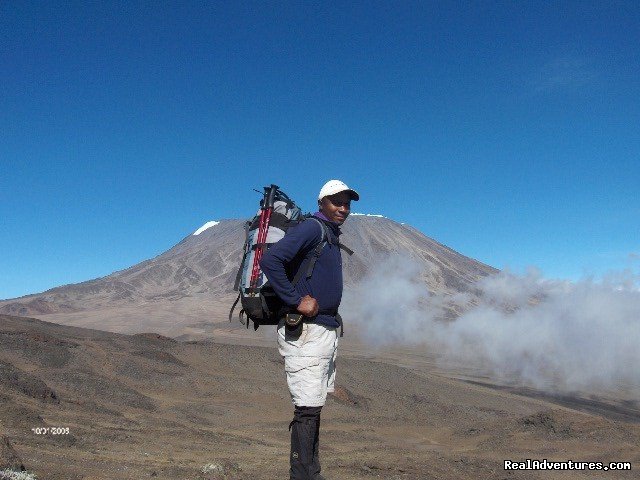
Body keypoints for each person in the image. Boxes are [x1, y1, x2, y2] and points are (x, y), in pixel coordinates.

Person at [259, 179, 359, 480]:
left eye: (347, 203)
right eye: (336, 202)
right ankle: (303, 476)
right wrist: (295, 299)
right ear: (321, 204)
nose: (343, 208)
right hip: (307, 333)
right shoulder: (312, 229)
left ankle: (310, 473)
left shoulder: (328, 234)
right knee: (307, 409)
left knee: (314, 406)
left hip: (322, 331)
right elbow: (270, 260)